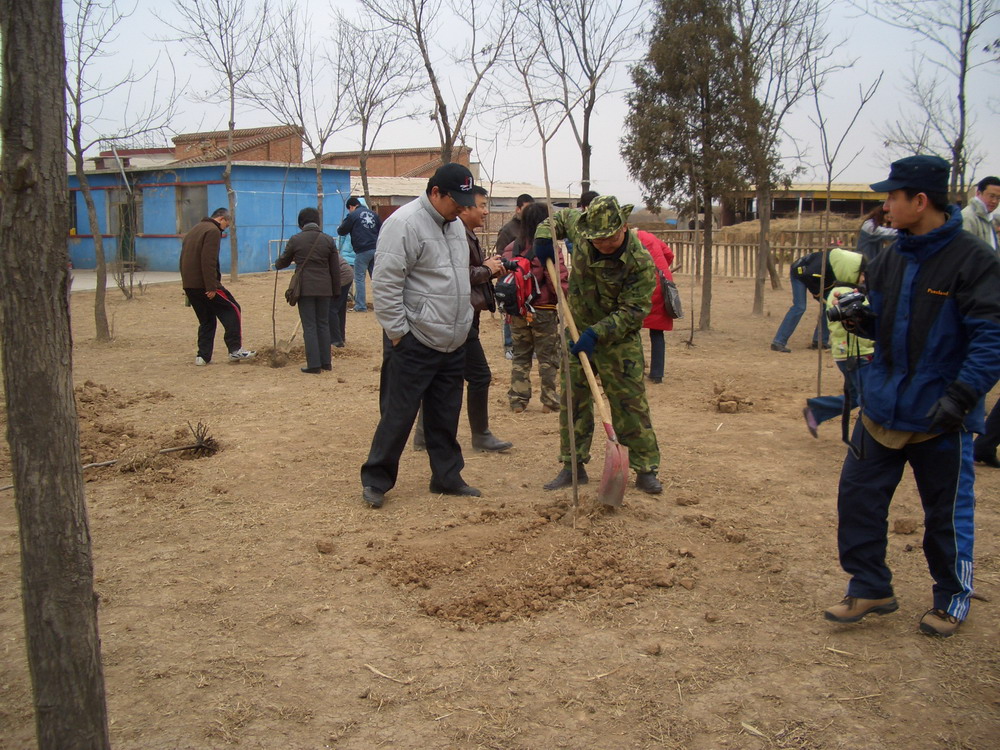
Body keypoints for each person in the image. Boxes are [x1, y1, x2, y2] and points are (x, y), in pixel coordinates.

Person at [823, 155, 1000, 638]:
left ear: (919, 202)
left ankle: (951, 597)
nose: (884, 205)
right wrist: (862, 319)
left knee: (945, 515)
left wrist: (960, 398)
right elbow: (885, 324)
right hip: (882, 405)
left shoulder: (975, 262)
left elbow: (990, 340)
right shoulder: (890, 257)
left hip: (941, 413)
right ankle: (870, 585)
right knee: (858, 499)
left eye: (892, 197)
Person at [359, 163, 480, 509]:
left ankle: (446, 477)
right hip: (415, 340)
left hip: (452, 339)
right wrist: (399, 334)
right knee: (398, 414)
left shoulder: (454, 225)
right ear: (435, 193)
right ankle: (376, 479)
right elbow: (385, 282)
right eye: (455, 199)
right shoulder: (403, 223)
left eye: (465, 199)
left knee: (446, 413)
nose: (461, 207)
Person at [535, 195, 663, 495]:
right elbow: (553, 219)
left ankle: (645, 469)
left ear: (624, 227)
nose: (603, 244)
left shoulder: (640, 262)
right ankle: (572, 465)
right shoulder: (580, 228)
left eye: (610, 238)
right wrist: (544, 236)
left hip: (617, 340)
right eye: (597, 240)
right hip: (576, 332)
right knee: (573, 402)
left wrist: (596, 334)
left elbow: (633, 311)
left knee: (630, 404)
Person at [413, 186, 513, 453]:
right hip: (457, 316)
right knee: (479, 376)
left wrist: (487, 269)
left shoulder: (465, 235)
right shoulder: (455, 235)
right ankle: (480, 435)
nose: (485, 211)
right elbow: (453, 276)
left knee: (441, 376)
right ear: (465, 208)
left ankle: (423, 435)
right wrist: (485, 270)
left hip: (466, 315)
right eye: (480, 205)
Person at [502, 202, 569, 414]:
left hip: (518, 311)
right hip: (543, 309)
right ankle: (549, 400)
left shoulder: (510, 248)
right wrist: (566, 297)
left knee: (521, 355)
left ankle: (518, 401)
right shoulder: (548, 249)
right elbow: (557, 280)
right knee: (548, 357)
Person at [179, 207, 255, 365]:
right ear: (222, 219)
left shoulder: (194, 230)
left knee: (207, 320)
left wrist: (186, 285)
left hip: (190, 285)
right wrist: (211, 286)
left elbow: (182, 259)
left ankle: (202, 357)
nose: (225, 229)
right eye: (226, 225)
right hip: (205, 285)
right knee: (233, 308)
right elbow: (208, 260)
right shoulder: (212, 231)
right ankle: (235, 350)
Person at [802, 284, 874, 436]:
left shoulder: (843, 292)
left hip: (849, 353)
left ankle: (817, 411)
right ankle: (868, 438)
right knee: (869, 399)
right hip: (857, 354)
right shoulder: (846, 295)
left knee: (855, 396)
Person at [275, 208, 340, 373]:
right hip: (325, 288)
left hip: (305, 289)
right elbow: (335, 269)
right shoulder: (328, 240)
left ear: (301, 223)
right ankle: (326, 363)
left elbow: (282, 262)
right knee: (323, 325)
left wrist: (277, 263)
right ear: (317, 221)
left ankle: (314, 365)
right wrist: (336, 291)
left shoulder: (296, 240)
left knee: (309, 326)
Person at [769, 247, 864, 353]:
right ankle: (778, 342)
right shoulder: (823, 263)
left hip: (816, 279)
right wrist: (817, 294)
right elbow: (808, 275)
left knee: (827, 307)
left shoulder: (841, 265)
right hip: (800, 273)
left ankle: (819, 341)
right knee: (800, 307)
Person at [495, 194, 534, 360]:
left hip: (528, 279)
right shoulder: (508, 230)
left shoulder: (533, 228)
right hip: (511, 279)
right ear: (518, 209)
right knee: (510, 312)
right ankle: (509, 345)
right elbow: (500, 255)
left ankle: (528, 346)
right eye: (525, 209)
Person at [637, 230, 675, 384]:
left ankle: (636, 370)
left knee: (632, 328)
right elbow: (669, 255)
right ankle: (657, 373)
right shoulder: (651, 236)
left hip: (643, 284)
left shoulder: (630, 239)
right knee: (657, 332)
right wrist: (663, 268)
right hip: (663, 282)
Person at [337, 196, 382, 312]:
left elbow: (342, 231)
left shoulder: (353, 215)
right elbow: (382, 229)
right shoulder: (373, 214)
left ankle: (360, 305)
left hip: (362, 250)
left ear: (351, 207)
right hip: (376, 249)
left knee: (359, 278)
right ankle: (381, 305)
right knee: (376, 278)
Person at [960, 175, 1000, 251]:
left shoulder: (988, 217)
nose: (995, 201)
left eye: (998, 198)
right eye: (991, 196)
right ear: (978, 193)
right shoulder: (967, 217)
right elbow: (964, 252)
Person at [328, 252, 353, 349]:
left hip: (342, 277)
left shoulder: (318, 253)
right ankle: (341, 337)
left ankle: (336, 340)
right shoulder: (324, 245)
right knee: (340, 308)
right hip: (347, 274)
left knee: (331, 308)